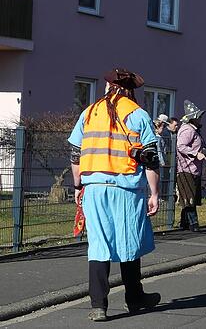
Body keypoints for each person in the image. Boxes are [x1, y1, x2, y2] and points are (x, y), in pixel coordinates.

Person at [67, 68, 161, 322]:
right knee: (129, 243)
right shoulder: (138, 115)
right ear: (130, 90)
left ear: (108, 86)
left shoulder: (89, 113)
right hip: (126, 189)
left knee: (99, 246)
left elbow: (76, 153)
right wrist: (154, 193)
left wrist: (78, 185)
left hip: (95, 188)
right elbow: (150, 158)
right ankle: (135, 298)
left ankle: (98, 305)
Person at [176, 100, 206, 232]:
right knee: (189, 197)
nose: (201, 119)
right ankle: (193, 224)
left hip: (193, 169)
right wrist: (196, 153)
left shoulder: (194, 131)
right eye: (199, 117)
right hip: (187, 169)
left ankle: (184, 223)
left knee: (189, 196)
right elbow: (181, 146)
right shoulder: (188, 130)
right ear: (193, 119)